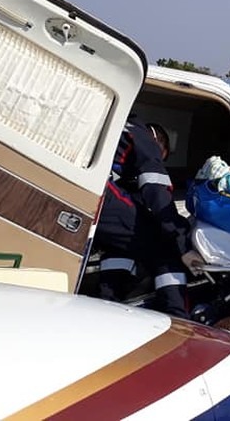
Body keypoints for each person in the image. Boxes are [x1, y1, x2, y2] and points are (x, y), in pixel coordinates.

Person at [92, 115, 192, 319]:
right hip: (99, 192)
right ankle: (178, 316)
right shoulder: (144, 137)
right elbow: (156, 188)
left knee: (122, 241)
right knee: (163, 242)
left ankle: (107, 304)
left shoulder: (121, 127)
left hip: (89, 188)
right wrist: (179, 235)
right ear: (159, 144)